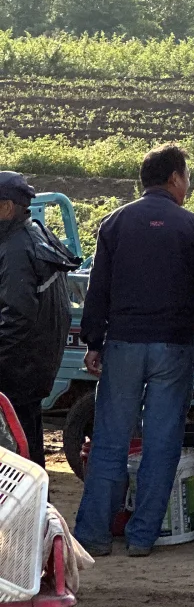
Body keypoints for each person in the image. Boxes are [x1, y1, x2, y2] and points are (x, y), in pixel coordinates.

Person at [74, 145, 194, 557]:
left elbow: (99, 289)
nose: (188, 184)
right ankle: (142, 536)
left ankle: (95, 534)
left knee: (111, 441)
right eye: (186, 176)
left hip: (124, 344)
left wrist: (93, 341)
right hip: (173, 344)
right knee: (161, 442)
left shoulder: (116, 223)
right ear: (173, 178)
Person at [0, 171, 77, 469]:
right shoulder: (36, 233)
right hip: (35, 364)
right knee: (28, 440)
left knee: (14, 449)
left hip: (16, 367)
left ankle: (23, 507)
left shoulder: (15, 249)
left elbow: (15, 315)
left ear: (7, 208)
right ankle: (35, 502)